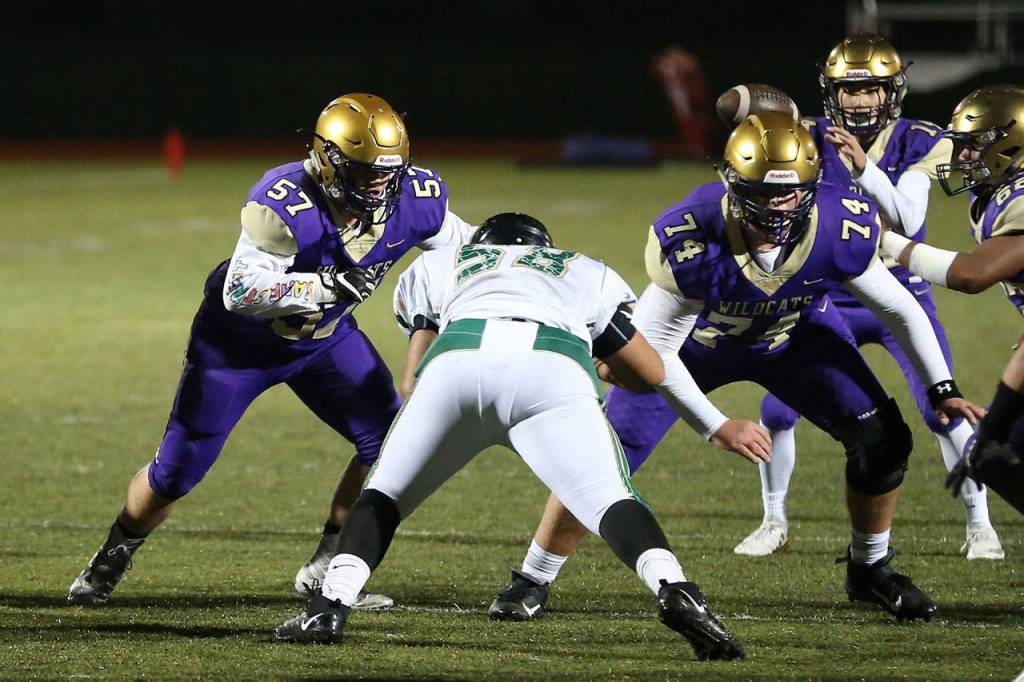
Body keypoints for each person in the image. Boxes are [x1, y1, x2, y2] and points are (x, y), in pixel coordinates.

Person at [490, 112, 984, 624]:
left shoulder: (841, 222)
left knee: (883, 438)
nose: (777, 208)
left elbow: (899, 306)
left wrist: (940, 385)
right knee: (604, 455)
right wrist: (716, 425)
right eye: (763, 194)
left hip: (795, 338)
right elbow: (656, 353)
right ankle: (533, 576)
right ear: (731, 184)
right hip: (693, 348)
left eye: (790, 193)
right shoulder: (692, 234)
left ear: (812, 186)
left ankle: (871, 569)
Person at [274, 213, 747, 661]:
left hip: (457, 362)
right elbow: (650, 371)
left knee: (383, 495)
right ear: (545, 249)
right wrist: (602, 364)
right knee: (610, 500)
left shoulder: (442, 262)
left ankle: (329, 607)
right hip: (552, 365)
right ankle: (677, 590)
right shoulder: (582, 269)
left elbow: (412, 378)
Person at [66, 93, 476, 608]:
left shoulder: (414, 198)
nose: (378, 184)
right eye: (363, 171)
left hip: (324, 344)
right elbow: (239, 292)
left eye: (386, 173)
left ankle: (328, 567)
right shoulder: (286, 204)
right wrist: (324, 286)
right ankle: (113, 553)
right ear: (327, 160)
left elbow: (466, 248)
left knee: (394, 444)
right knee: (175, 473)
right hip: (236, 350)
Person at [737, 33, 1003, 560]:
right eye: (849, 90)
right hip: (828, 292)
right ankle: (773, 519)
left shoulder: (924, 139)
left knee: (942, 410)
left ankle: (980, 524)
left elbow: (908, 217)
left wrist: (864, 169)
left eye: (871, 90)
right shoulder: (807, 136)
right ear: (830, 90)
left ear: (893, 90)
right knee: (778, 406)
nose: (859, 102)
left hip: (900, 290)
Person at [881, 84, 1024, 515]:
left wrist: (888, 242)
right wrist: (995, 427)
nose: (962, 156)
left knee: (994, 453)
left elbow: (971, 274)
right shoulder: (994, 196)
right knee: (993, 458)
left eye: (974, 144)